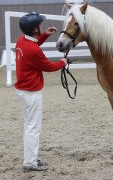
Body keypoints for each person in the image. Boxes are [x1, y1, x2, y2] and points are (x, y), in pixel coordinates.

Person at [15, 12, 67, 172]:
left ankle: (30, 159)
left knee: (29, 125)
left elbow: (35, 44)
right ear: (34, 29)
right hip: (31, 92)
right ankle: (30, 163)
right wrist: (62, 62)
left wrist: (45, 35)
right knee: (33, 127)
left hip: (24, 91)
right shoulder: (33, 50)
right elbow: (48, 66)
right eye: (40, 27)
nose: (41, 27)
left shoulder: (22, 40)